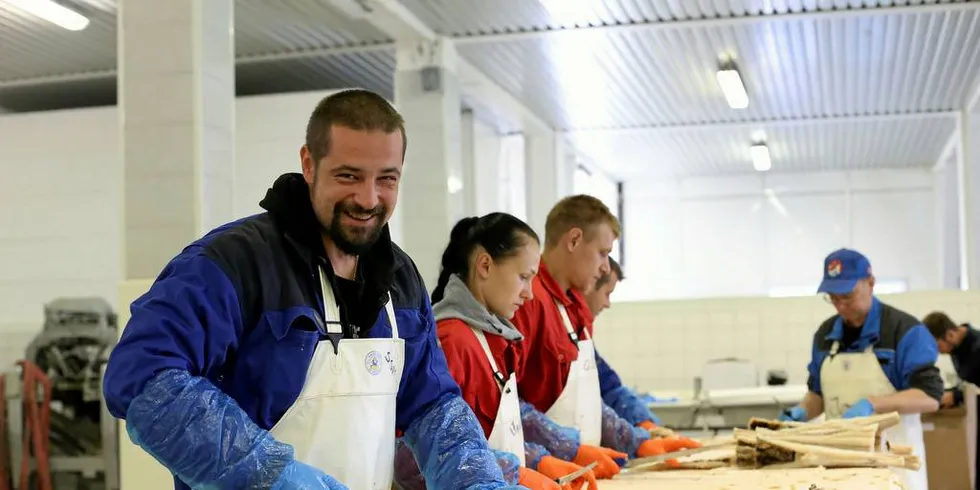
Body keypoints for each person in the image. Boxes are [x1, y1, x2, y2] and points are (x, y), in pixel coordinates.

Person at [102, 89, 520, 490]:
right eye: (349, 176)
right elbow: (142, 375)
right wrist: (269, 476)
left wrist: (475, 479)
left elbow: (433, 407)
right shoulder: (233, 263)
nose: (368, 198)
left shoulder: (400, 280)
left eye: (386, 179)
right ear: (308, 164)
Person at [393, 213, 599, 490]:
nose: (529, 293)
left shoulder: (492, 339)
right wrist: (517, 473)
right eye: (524, 277)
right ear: (485, 265)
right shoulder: (454, 340)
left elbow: (488, 433)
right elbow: (420, 455)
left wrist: (540, 459)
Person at [510, 195, 700, 476]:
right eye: (602, 252)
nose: (605, 268)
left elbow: (592, 399)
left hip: (581, 469)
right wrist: (567, 449)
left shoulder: (573, 308)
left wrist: (637, 441)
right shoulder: (529, 302)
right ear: (574, 240)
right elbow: (509, 406)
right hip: (547, 473)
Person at [780, 248, 942, 490]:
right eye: (833, 298)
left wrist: (873, 404)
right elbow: (818, 395)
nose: (841, 306)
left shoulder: (904, 331)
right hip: (839, 466)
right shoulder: (825, 335)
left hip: (893, 465)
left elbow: (930, 397)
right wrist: (802, 411)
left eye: (848, 296)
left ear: (871, 283)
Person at [584, 258, 666, 431]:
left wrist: (644, 423)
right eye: (607, 293)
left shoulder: (581, 330)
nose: (607, 304)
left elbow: (608, 385)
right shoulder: (550, 318)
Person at [923, 311, 979, 407]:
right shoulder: (956, 349)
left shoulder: (977, 348)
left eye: (937, 346)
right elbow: (968, 383)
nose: (937, 352)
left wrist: (956, 397)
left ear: (950, 335)